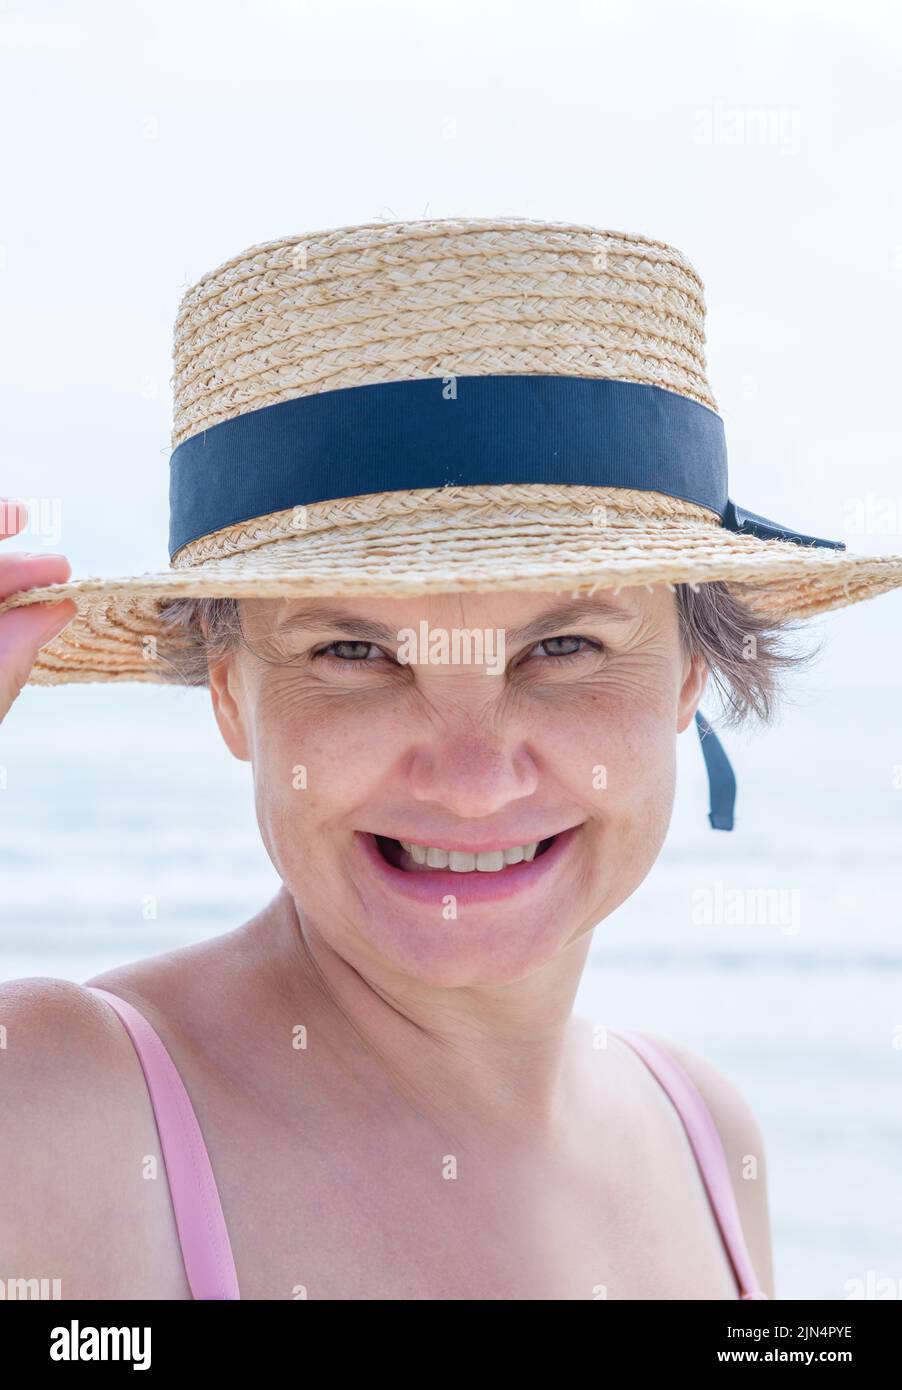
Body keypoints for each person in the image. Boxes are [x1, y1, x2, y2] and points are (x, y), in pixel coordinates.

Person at [3, 218, 900, 1300]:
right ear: (229, 690)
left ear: (686, 676)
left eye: (563, 647)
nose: (473, 779)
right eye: (352, 651)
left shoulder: (703, 1133)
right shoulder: (62, 1105)